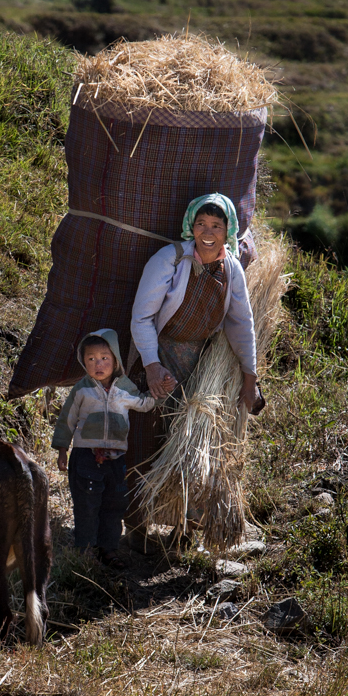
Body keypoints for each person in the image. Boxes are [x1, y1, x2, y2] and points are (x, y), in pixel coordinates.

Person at [124, 193, 258, 551]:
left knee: (194, 444)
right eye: (201, 224)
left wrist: (250, 378)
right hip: (159, 353)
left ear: (228, 230)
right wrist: (152, 367)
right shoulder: (170, 260)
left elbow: (241, 324)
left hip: (200, 363)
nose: (208, 232)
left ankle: (184, 529)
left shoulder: (231, 270)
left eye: (216, 225)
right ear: (191, 227)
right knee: (146, 434)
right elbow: (142, 317)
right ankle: (135, 526)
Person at [52, 329, 156, 569]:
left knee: (114, 505)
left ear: (116, 360)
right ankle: (86, 552)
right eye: (91, 359)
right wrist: (61, 448)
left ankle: (109, 550)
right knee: (87, 506)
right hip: (86, 457)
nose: (98, 364)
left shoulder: (125, 388)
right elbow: (67, 419)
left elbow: (143, 403)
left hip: (116, 460)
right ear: (83, 361)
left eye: (104, 358)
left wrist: (159, 391)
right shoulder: (82, 389)